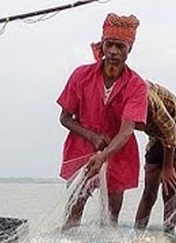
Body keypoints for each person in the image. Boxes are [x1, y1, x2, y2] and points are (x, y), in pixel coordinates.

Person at [57, 13, 148, 228]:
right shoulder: (81, 75)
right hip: (81, 149)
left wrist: (104, 155)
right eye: (110, 45)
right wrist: (92, 136)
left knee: (111, 217)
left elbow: (126, 131)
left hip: (118, 152)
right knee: (73, 210)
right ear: (102, 44)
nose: (114, 52)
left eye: (120, 46)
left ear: (129, 49)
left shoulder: (137, 85)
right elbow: (65, 118)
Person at [134, 81, 176, 233]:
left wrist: (168, 168)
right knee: (149, 190)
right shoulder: (119, 98)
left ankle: (169, 235)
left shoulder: (146, 96)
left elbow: (170, 130)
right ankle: (137, 236)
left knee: (169, 190)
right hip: (157, 137)